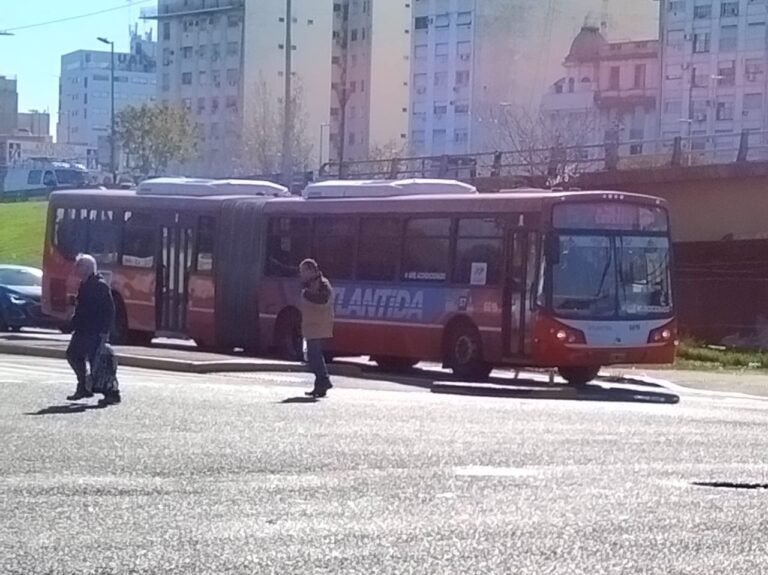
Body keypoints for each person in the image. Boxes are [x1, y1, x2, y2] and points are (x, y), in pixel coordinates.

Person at [66, 254, 119, 404]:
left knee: (98, 362)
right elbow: (82, 308)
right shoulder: (86, 284)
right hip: (84, 329)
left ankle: (111, 392)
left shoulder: (99, 285)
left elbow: (109, 310)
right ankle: (84, 386)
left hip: (94, 330)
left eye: (79, 266)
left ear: (87, 268)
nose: (76, 270)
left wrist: (104, 331)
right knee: (75, 355)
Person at [299, 259, 334, 398]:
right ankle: (321, 385)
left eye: (303, 271)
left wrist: (306, 295)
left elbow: (323, 300)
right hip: (312, 325)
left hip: (319, 325)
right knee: (313, 356)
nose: (301, 274)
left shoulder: (322, 284)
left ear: (311, 270)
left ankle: (324, 380)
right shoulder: (311, 284)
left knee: (314, 356)